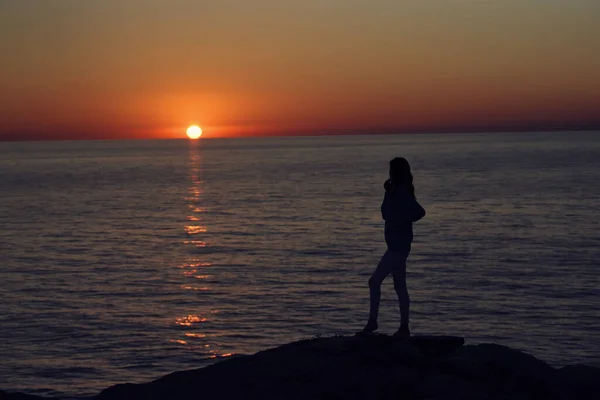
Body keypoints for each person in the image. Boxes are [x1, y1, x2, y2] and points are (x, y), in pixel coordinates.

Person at [361, 157, 426, 337]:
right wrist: (388, 193)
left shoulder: (403, 191)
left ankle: (372, 322)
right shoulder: (394, 190)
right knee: (400, 286)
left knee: (374, 281)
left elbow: (419, 212)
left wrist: (401, 221)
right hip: (395, 245)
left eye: (391, 170)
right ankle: (404, 327)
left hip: (399, 246)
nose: (389, 173)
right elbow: (384, 214)